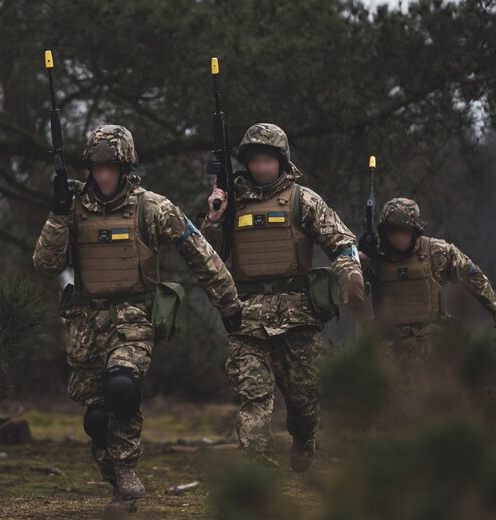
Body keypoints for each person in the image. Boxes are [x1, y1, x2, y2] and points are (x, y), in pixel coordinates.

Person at [33, 124, 241, 513]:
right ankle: (115, 475)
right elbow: (45, 265)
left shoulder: (152, 208)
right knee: (97, 419)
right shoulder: (73, 207)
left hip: (134, 320)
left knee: (122, 387)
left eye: (112, 167)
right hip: (84, 327)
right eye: (97, 168)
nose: (104, 175)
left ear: (126, 168)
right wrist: (58, 215)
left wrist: (228, 304)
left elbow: (199, 253)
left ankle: (128, 474)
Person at [201, 123, 364, 471]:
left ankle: (305, 437)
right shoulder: (232, 201)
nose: (261, 167)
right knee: (253, 401)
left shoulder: (303, 200)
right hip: (247, 319)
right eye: (255, 160)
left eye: (267, 160)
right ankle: (260, 477)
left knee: (304, 401)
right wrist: (214, 217)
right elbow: (207, 257)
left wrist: (351, 277)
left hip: (297, 317)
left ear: (281, 161)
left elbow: (341, 241)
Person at [358, 197, 496, 360]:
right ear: (385, 232)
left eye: (404, 231)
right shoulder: (374, 256)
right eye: (393, 232)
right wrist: (360, 260)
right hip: (388, 343)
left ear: (414, 230)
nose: (398, 237)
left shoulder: (437, 252)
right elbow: (348, 284)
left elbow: (471, 275)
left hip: (432, 339)